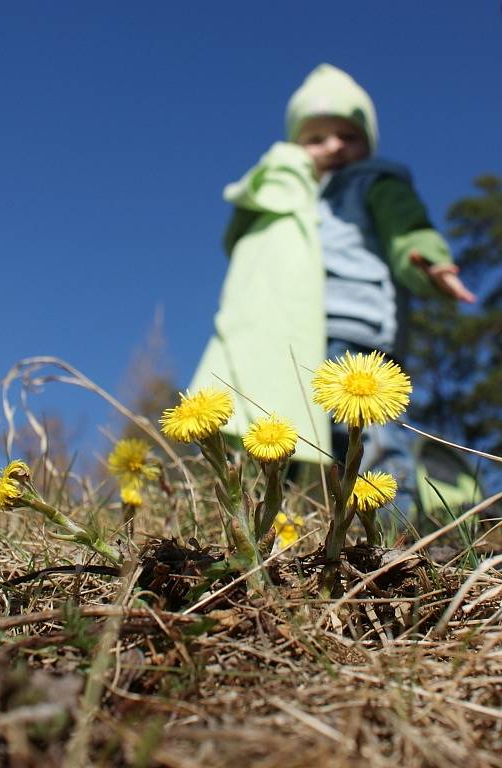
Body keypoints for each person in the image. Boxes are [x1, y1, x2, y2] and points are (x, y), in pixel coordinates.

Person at [189, 64, 475, 518]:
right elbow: (239, 240)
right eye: (316, 138)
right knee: (290, 439)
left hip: (357, 328)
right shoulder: (288, 196)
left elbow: (409, 229)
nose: (335, 146)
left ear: (368, 143)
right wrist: (280, 174)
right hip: (290, 334)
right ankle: (297, 535)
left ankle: (394, 539)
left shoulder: (376, 183)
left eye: (348, 135)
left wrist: (430, 262)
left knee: (369, 441)